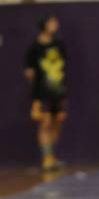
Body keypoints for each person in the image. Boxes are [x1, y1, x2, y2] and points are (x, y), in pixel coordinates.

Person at [24, 16, 67, 172]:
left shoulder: (59, 45)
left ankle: (53, 155)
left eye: (56, 22)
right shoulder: (34, 48)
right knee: (45, 122)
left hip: (58, 90)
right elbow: (29, 73)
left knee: (58, 121)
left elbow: (63, 67)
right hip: (42, 92)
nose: (55, 25)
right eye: (52, 22)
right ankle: (46, 158)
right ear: (44, 26)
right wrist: (36, 95)